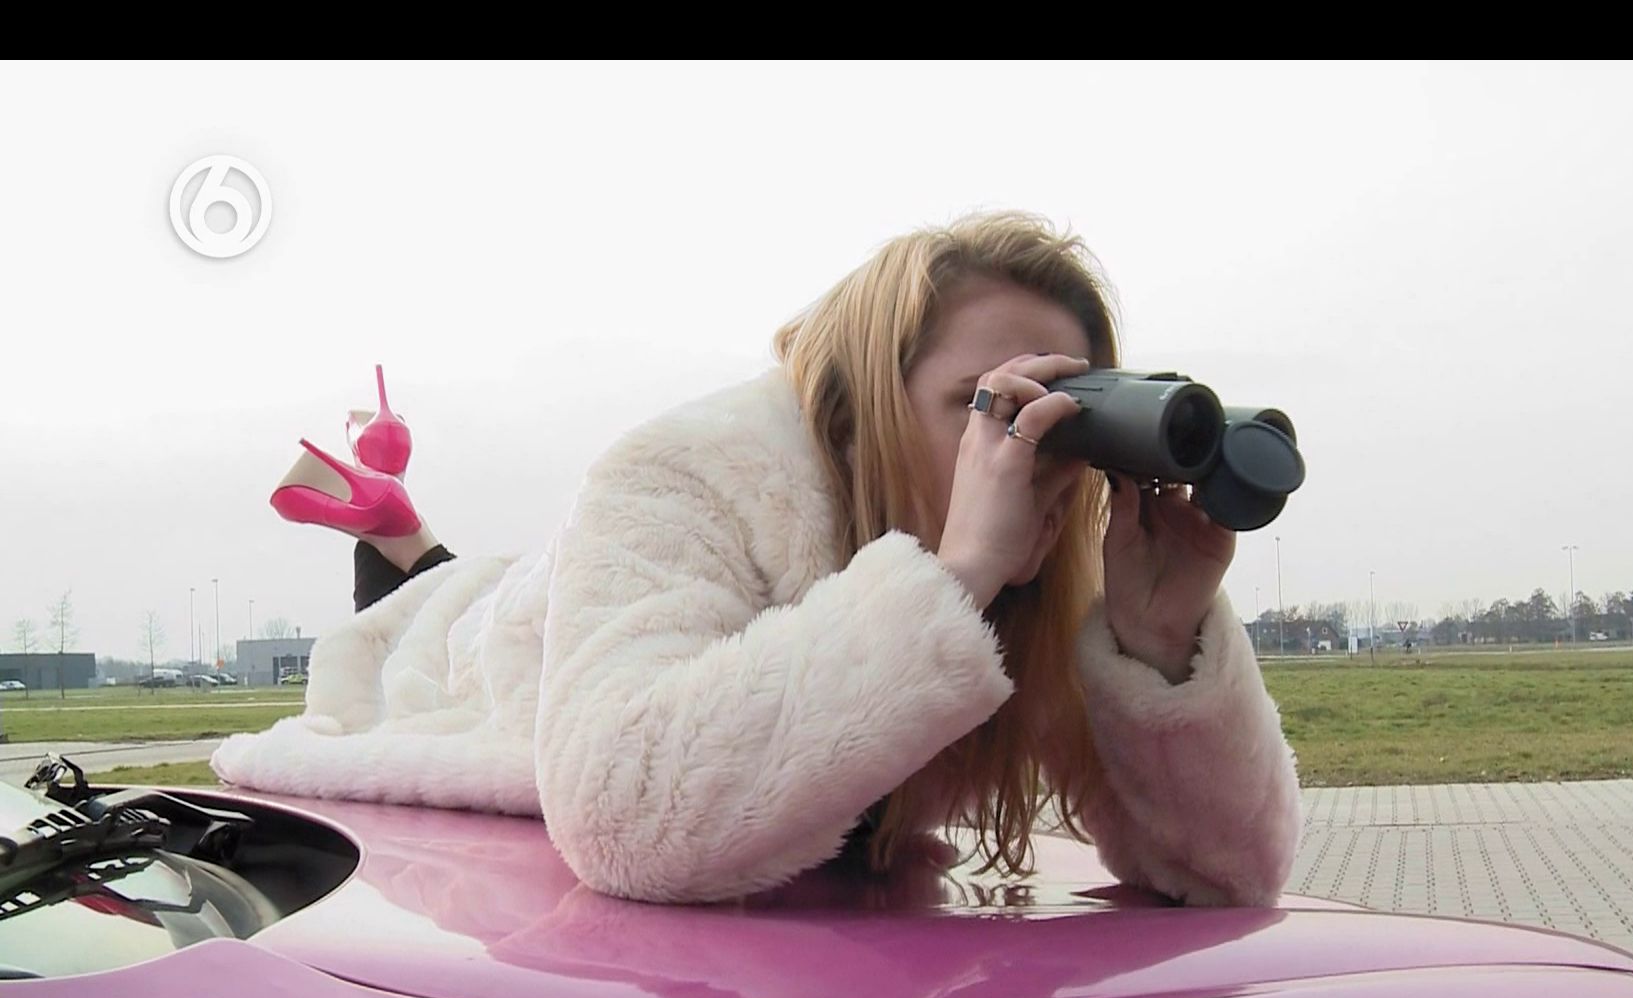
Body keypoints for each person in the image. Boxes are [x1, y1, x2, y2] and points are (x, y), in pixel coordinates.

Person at [214, 212, 1304, 906]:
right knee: (437, 611)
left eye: (1067, 416)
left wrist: (1156, 644)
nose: (1026, 451)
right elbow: (623, 817)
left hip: (557, 598)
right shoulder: (688, 474)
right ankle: (390, 527)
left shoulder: (1050, 573)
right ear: (866, 415)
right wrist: (955, 578)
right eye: (986, 404)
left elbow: (1229, 874)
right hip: (499, 629)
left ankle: (395, 522)